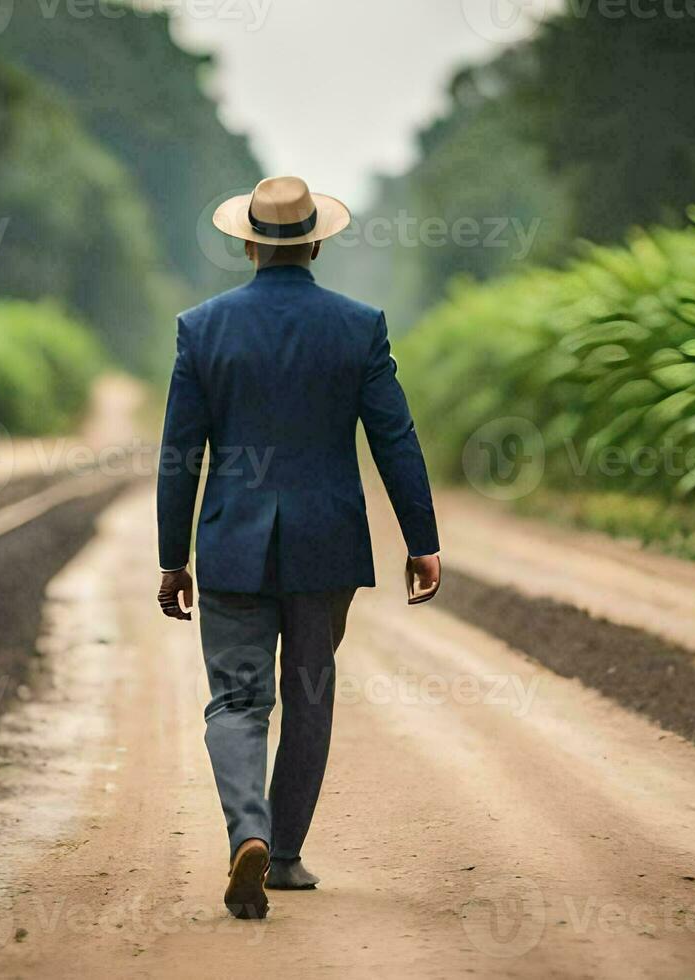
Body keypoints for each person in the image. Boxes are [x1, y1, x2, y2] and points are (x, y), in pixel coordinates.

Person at [156, 176, 442, 919]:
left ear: (248, 242)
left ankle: (245, 830)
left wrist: (171, 558)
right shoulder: (359, 326)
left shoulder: (202, 327)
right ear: (315, 242)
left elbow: (179, 453)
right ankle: (282, 857)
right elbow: (394, 436)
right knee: (310, 692)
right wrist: (423, 540)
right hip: (325, 544)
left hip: (231, 544)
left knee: (236, 699)